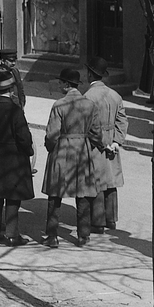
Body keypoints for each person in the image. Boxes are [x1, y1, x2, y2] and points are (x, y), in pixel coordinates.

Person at [41, 67, 108, 248]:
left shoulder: (59, 105)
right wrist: (90, 145)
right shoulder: (89, 105)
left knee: (55, 195)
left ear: (65, 85)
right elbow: (96, 133)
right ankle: (83, 236)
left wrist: (50, 148)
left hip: (62, 151)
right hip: (82, 152)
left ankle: (52, 236)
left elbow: (51, 134)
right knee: (83, 194)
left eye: (61, 82)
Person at [0, 70, 33, 245]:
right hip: (13, 158)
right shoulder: (15, 110)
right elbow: (24, 137)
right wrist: (29, 151)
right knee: (12, 197)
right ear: (11, 90)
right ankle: (12, 234)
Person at [84, 56, 127, 233]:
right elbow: (122, 120)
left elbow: (87, 124)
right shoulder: (115, 95)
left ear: (89, 74)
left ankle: (98, 221)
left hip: (95, 143)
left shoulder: (88, 96)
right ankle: (111, 219)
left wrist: (101, 143)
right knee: (111, 180)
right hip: (111, 140)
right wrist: (117, 141)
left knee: (97, 180)